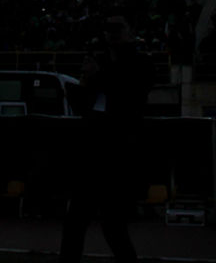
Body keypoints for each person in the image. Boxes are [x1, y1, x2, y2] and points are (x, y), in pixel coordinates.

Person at [60, 15, 153, 262]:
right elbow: (84, 104)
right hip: (97, 150)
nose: (112, 36)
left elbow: (127, 91)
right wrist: (85, 80)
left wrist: (95, 76)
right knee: (83, 222)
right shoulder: (105, 63)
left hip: (116, 152)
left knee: (108, 223)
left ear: (130, 33)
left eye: (117, 30)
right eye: (109, 31)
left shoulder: (138, 63)